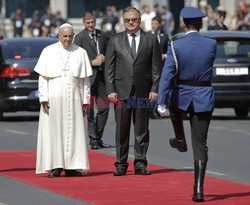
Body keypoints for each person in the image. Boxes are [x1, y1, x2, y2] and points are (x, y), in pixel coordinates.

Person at [157, 7, 217, 202]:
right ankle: (198, 189)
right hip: (204, 95)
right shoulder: (211, 44)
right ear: (201, 24)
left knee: (174, 107)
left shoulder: (176, 44)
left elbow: (168, 73)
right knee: (201, 145)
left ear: (183, 23)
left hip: (181, 94)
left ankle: (180, 140)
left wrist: (161, 101)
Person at [105, 6, 162, 176]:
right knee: (122, 129)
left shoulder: (151, 40)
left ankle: (140, 163)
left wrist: (154, 88)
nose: (131, 22)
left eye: (134, 19)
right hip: (121, 92)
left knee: (142, 129)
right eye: (127, 19)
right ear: (123, 21)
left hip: (143, 91)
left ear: (139, 20)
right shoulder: (114, 40)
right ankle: (121, 164)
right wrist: (110, 90)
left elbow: (156, 68)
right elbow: (109, 68)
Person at [35, 23, 93, 178]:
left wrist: (86, 100)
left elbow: (85, 80)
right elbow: (43, 78)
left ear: (73, 36)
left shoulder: (80, 52)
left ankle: (72, 166)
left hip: (75, 99)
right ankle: (56, 166)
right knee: (54, 133)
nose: (67, 39)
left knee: (75, 132)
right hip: (54, 99)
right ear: (59, 36)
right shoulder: (48, 52)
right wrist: (44, 98)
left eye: (70, 36)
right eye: (65, 36)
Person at [74, 11, 111, 150]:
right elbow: (76, 59)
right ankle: (93, 139)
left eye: (93, 22)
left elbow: (110, 52)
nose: (91, 25)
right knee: (89, 112)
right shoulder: (79, 38)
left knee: (104, 108)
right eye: (88, 23)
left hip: (102, 79)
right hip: (88, 80)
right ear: (84, 23)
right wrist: (92, 62)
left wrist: (105, 58)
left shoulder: (103, 35)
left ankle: (97, 137)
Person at [149, 16, 169, 119]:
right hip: (148, 67)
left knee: (158, 88)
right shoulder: (147, 35)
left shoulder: (165, 36)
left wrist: (164, 56)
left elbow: (168, 51)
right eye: (152, 24)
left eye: (155, 24)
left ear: (160, 24)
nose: (153, 26)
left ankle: (155, 110)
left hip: (160, 67)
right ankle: (149, 110)